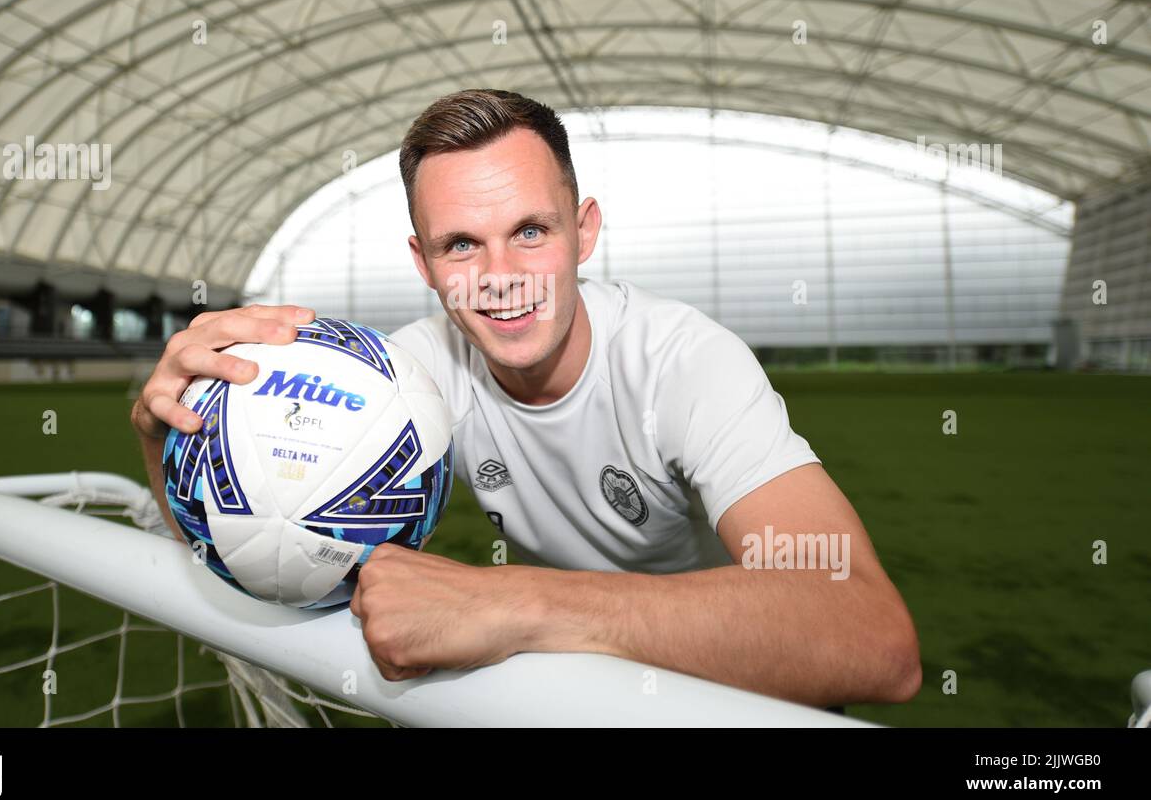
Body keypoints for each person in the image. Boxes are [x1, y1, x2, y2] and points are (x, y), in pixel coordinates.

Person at [131, 88, 921, 709]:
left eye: (531, 231)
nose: (500, 274)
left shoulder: (682, 361)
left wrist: (524, 601)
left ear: (585, 230)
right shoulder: (407, 383)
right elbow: (250, 545)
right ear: (424, 262)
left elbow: (871, 636)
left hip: (743, 687)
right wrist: (174, 435)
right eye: (462, 244)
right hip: (599, 688)